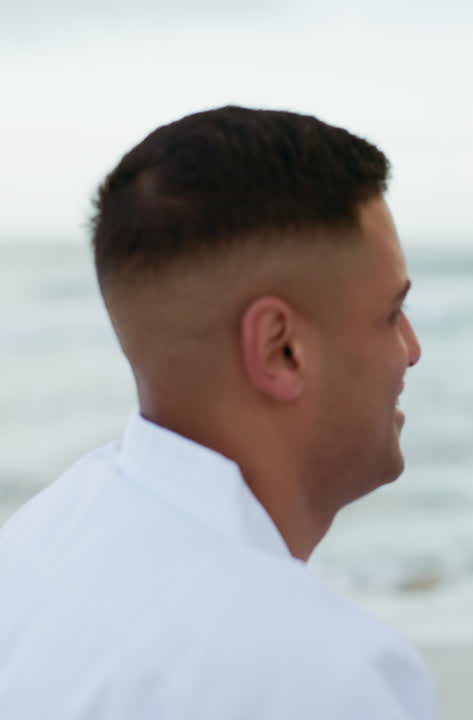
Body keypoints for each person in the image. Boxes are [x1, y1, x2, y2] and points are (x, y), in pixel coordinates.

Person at [0, 106, 434, 718]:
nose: (412, 352)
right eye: (391, 314)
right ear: (280, 349)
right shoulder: (316, 677)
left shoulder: (32, 548)